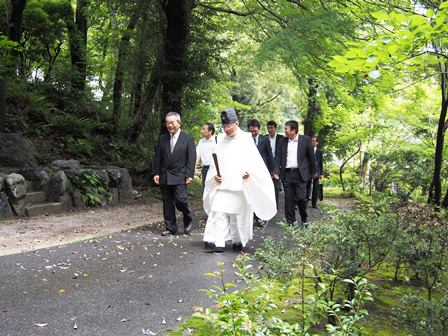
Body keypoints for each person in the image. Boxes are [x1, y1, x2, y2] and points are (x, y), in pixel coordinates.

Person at [202, 108, 276, 253]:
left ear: (236, 123)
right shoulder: (221, 138)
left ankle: (237, 241)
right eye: (224, 126)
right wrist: (215, 176)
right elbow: (216, 160)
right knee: (218, 211)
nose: (226, 129)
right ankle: (219, 242)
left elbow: (255, 161)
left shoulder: (246, 138)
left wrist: (250, 172)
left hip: (240, 184)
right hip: (223, 183)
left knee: (238, 216)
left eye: (229, 125)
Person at [153, 112, 196, 236]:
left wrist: (189, 175)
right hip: (165, 174)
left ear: (179, 123)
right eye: (167, 123)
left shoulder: (188, 139)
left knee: (180, 200)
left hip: (180, 175)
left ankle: (187, 219)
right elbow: (158, 158)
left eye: (172, 122)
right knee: (167, 202)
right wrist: (156, 173)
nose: (169, 125)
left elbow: (191, 158)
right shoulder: (162, 138)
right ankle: (170, 227)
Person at [275, 120, 317, 227]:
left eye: (286, 129)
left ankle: (304, 218)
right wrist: (277, 172)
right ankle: (291, 223)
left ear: (293, 130)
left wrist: (313, 172)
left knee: (301, 198)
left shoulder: (305, 140)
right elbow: (278, 158)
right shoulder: (282, 141)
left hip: (300, 174)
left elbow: (311, 157)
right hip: (287, 174)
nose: (284, 131)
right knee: (288, 200)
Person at [247, 119, 278, 226]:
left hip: (261, 172)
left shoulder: (264, 140)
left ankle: (258, 217)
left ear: (259, 130)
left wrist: (273, 170)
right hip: (248, 172)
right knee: (249, 194)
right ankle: (249, 217)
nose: (253, 133)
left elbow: (270, 156)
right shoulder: (245, 140)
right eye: (251, 131)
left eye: (255, 131)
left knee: (259, 194)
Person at [266, 120, 284, 208]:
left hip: (277, 164)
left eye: (271, 128)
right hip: (267, 164)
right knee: (266, 185)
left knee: (276, 186)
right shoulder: (265, 138)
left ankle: (275, 205)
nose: (270, 130)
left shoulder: (281, 138)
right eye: (268, 128)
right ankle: (267, 205)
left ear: (275, 128)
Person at [196, 122, 217, 188]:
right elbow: (198, 154)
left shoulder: (217, 141)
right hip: (205, 168)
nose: (202, 131)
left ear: (210, 131)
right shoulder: (201, 141)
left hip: (214, 169)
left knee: (215, 188)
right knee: (205, 188)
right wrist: (195, 167)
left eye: (204, 129)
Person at [306, 135, 324, 208]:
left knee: (316, 188)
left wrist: (321, 173)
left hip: (317, 171)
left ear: (317, 142)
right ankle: (305, 201)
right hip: (308, 171)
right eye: (312, 141)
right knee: (307, 187)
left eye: (314, 141)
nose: (312, 142)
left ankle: (314, 204)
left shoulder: (319, 152)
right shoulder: (307, 150)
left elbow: (321, 163)